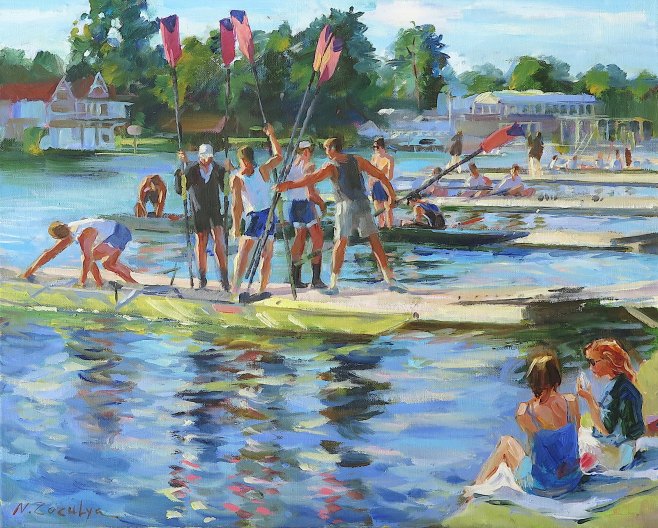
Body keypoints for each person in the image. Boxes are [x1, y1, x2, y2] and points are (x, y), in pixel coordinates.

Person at [275, 136, 404, 295]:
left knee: (341, 243)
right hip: (363, 203)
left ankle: (333, 284)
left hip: (345, 206)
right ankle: (389, 279)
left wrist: (288, 185)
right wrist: (392, 195)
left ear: (333, 149)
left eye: (326, 149)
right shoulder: (357, 160)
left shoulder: (331, 166)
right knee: (374, 240)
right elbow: (381, 175)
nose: (326, 152)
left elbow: (312, 178)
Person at [471, 351, 582, 498]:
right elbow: (574, 436)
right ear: (557, 376)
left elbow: (534, 450)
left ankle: (475, 488)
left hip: (543, 487)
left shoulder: (525, 411)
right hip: (571, 481)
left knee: (506, 442)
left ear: (532, 380)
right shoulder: (571, 401)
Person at [229, 124, 283, 299]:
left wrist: (236, 227)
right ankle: (249, 288)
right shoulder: (261, 171)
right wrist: (271, 135)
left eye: (241, 162)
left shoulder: (238, 178)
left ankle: (244, 289)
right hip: (267, 215)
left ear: (244, 160)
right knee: (258, 254)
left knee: (251, 254)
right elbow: (279, 156)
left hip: (259, 216)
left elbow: (237, 206)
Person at [577, 338, 645, 470]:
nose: (590, 367)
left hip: (617, 454)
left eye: (593, 362)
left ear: (609, 361)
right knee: (584, 432)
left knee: (579, 435)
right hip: (630, 447)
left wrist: (589, 399)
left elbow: (605, 429)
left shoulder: (613, 391)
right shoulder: (624, 384)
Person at [21, 219, 137, 287]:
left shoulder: (83, 233)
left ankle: (99, 284)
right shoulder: (69, 230)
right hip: (119, 231)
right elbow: (50, 253)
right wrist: (28, 273)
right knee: (109, 264)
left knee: (90, 257)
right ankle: (134, 284)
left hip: (118, 233)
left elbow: (88, 258)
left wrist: (81, 282)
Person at [176, 144, 230, 290]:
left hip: (214, 210)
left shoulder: (217, 169)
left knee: (219, 240)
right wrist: (180, 173)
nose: (208, 161)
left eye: (210, 157)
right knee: (201, 242)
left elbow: (225, 188)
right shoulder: (191, 170)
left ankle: (224, 278)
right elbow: (180, 189)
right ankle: (202, 277)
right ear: (200, 157)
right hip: (198, 210)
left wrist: (228, 172)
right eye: (205, 158)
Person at [283, 139, 327, 289]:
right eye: (311, 151)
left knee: (299, 239)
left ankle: (295, 277)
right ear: (307, 151)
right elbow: (310, 193)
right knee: (318, 240)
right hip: (306, 205)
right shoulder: (309, 166)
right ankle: (316, 279)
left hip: (293, 205)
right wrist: (322, 204)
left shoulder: (290, 166)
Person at [370, 137, 395, 228]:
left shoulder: (389, 158)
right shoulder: (374, 157)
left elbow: (390, 176)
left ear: (382, 147)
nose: (375, 149)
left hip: (384, 184)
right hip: (375, 185)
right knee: (378, 209)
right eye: (374, 147)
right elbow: (370, 172)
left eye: (377, 147)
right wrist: (371, 182)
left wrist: (380, 179)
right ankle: (381, 227)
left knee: (387, 208)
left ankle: (390, 227)